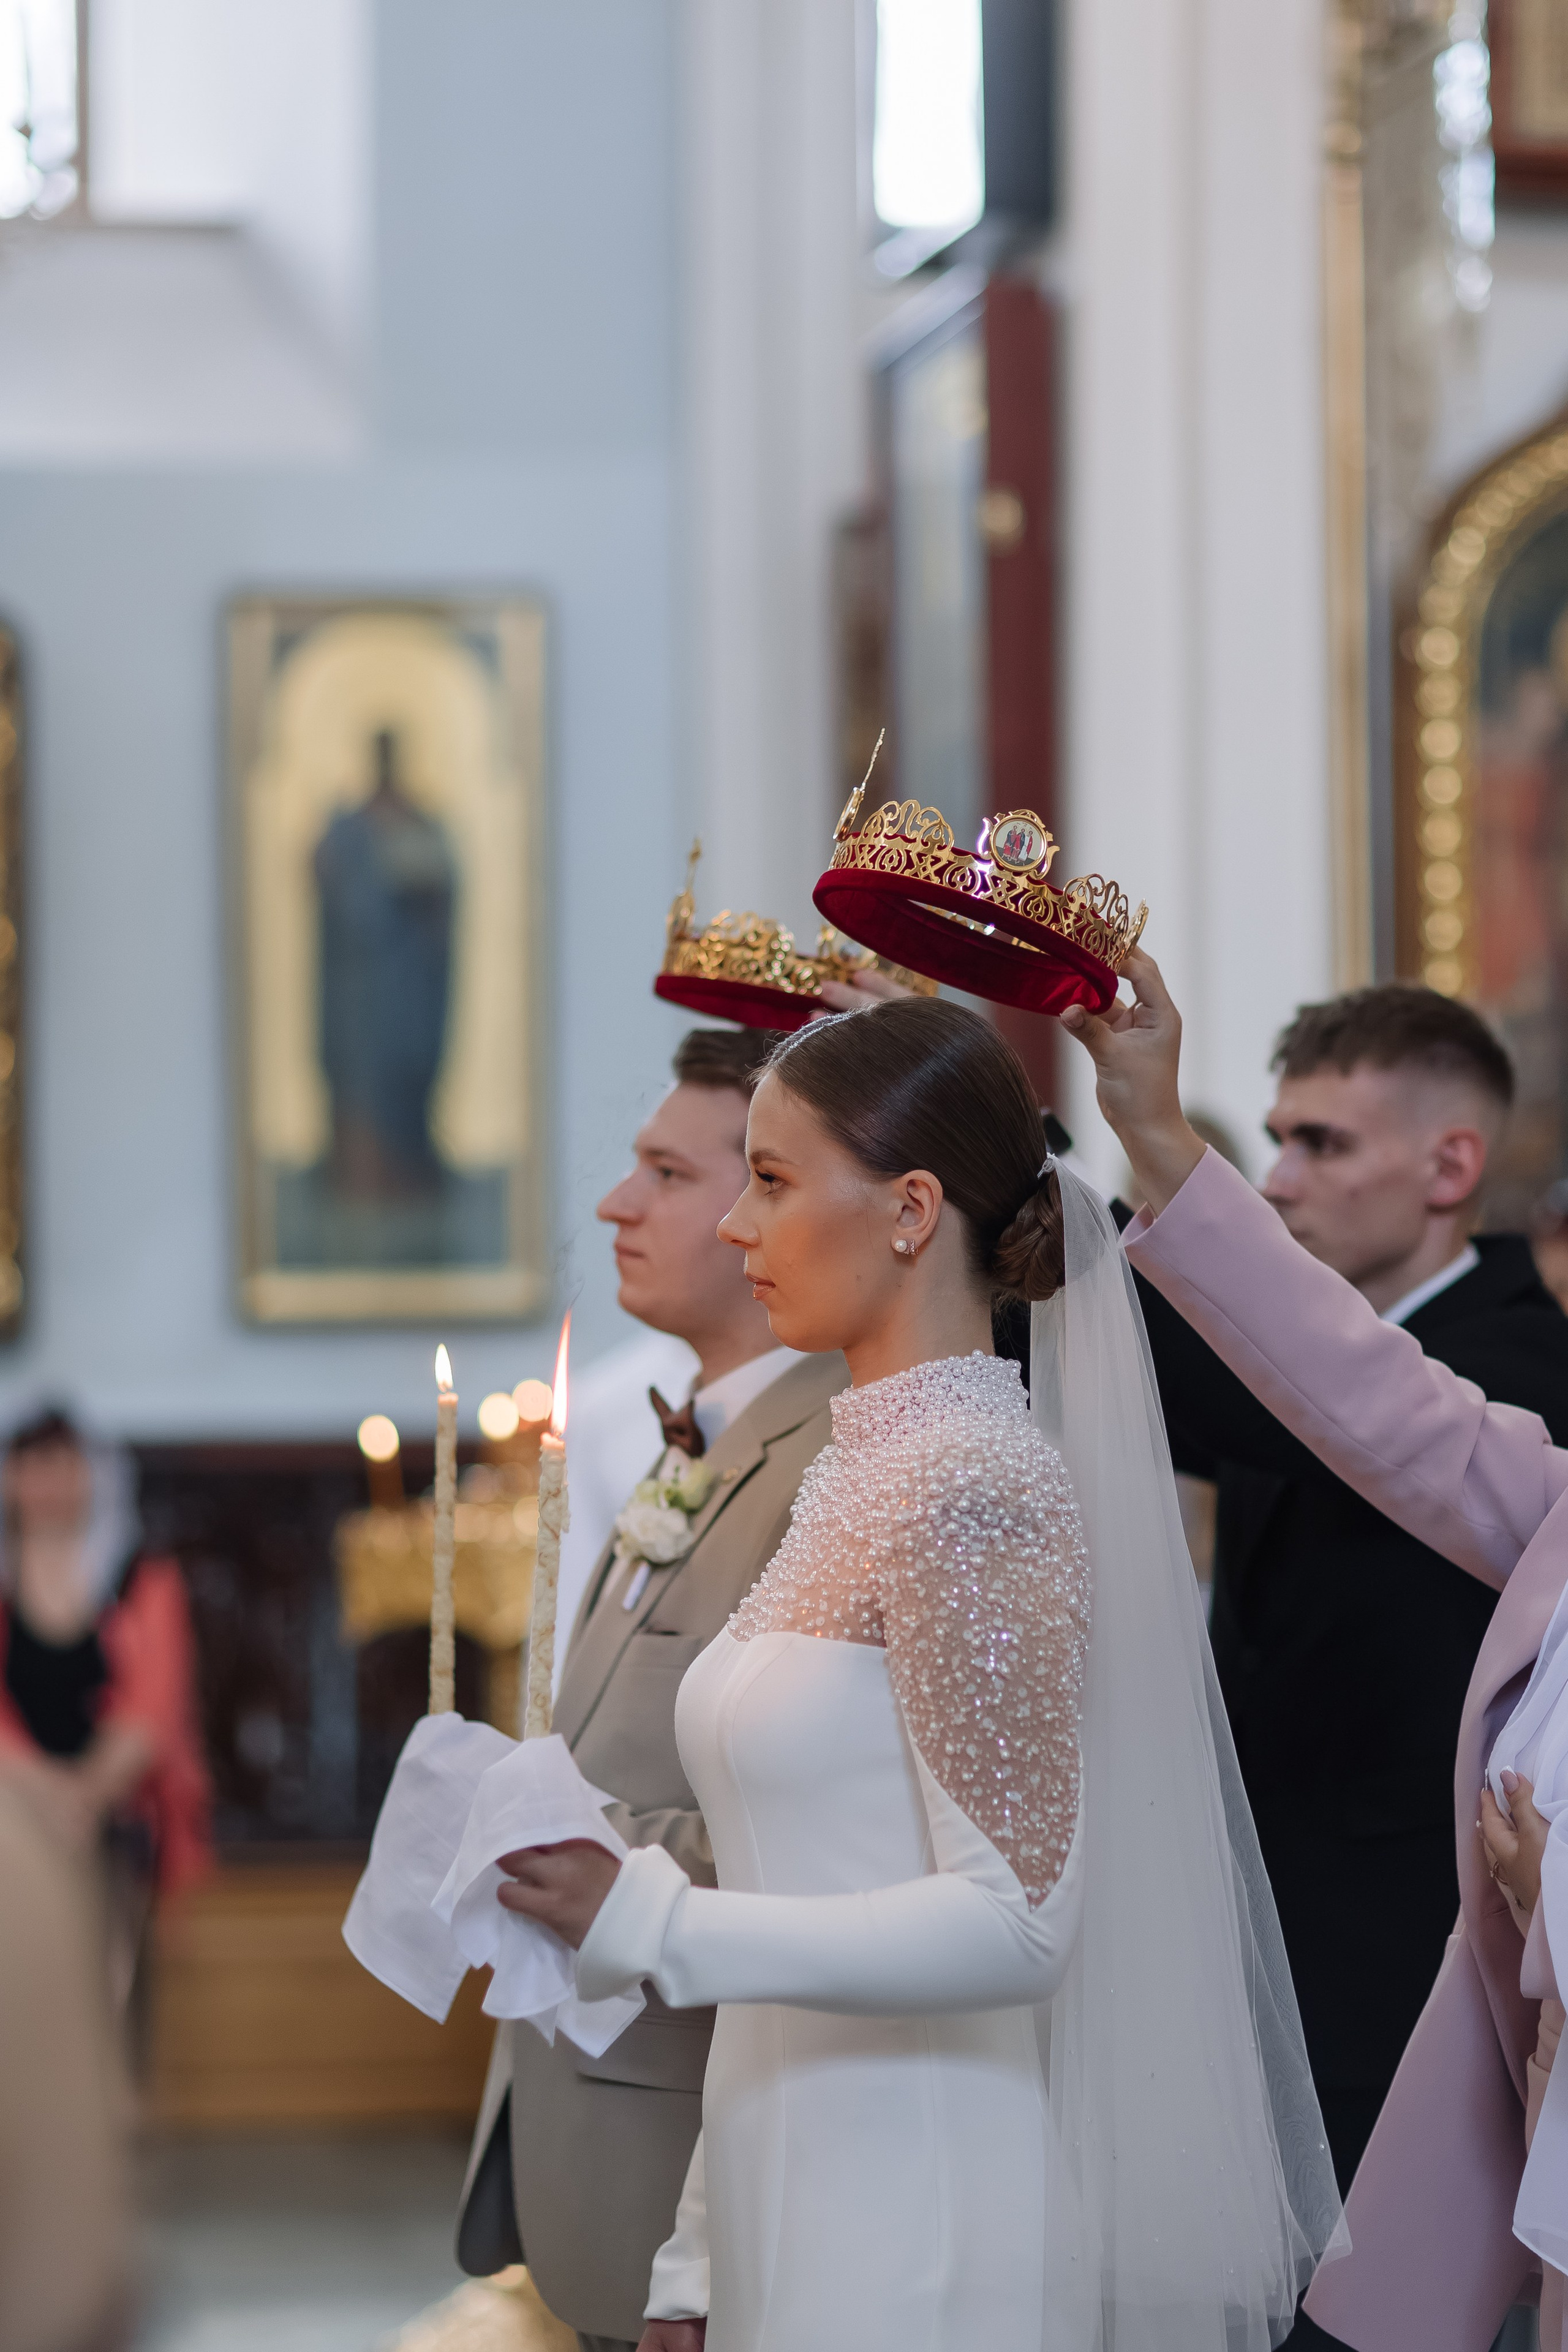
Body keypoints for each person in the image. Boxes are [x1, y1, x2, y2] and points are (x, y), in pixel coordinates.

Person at [492, 998, 1340, 2352]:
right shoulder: (857, 1470)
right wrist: (698, 2256)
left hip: (926, 2220)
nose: (733, 1224)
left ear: (907, 1209)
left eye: (769, 1182)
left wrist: (651, 1918)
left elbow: (1018, 1922)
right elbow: (796, 1876)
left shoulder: (975, 1487)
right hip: (791, 2181)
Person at [1060, 949, 1568, 2351]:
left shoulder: (1527, 1359)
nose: (1283, 1171)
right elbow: (1359, 1392)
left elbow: (1353, 1397)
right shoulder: (1521, 1474)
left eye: (1316, 1142)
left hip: (1393, 1964)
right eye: (1271, 1140)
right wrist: (1136, 1137)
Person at [454, 1025, 848, 2352]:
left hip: (701, 2124)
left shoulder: (837, 1463)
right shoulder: (696, 1433)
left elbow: (846, 1814)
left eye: (667, 1174)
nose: (619, 1204)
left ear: (764, 1208)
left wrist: (601, 1858)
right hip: (597, 2091)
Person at [0, 1406, 212, 2016]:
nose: (49, 1483)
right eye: (33, 1466)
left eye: (65, 1466)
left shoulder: (142, 1579)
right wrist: (51, 1798)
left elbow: (152, 1712)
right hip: (15, 1811)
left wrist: (85, 1800)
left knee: (107, 1986)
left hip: (114, 1819)